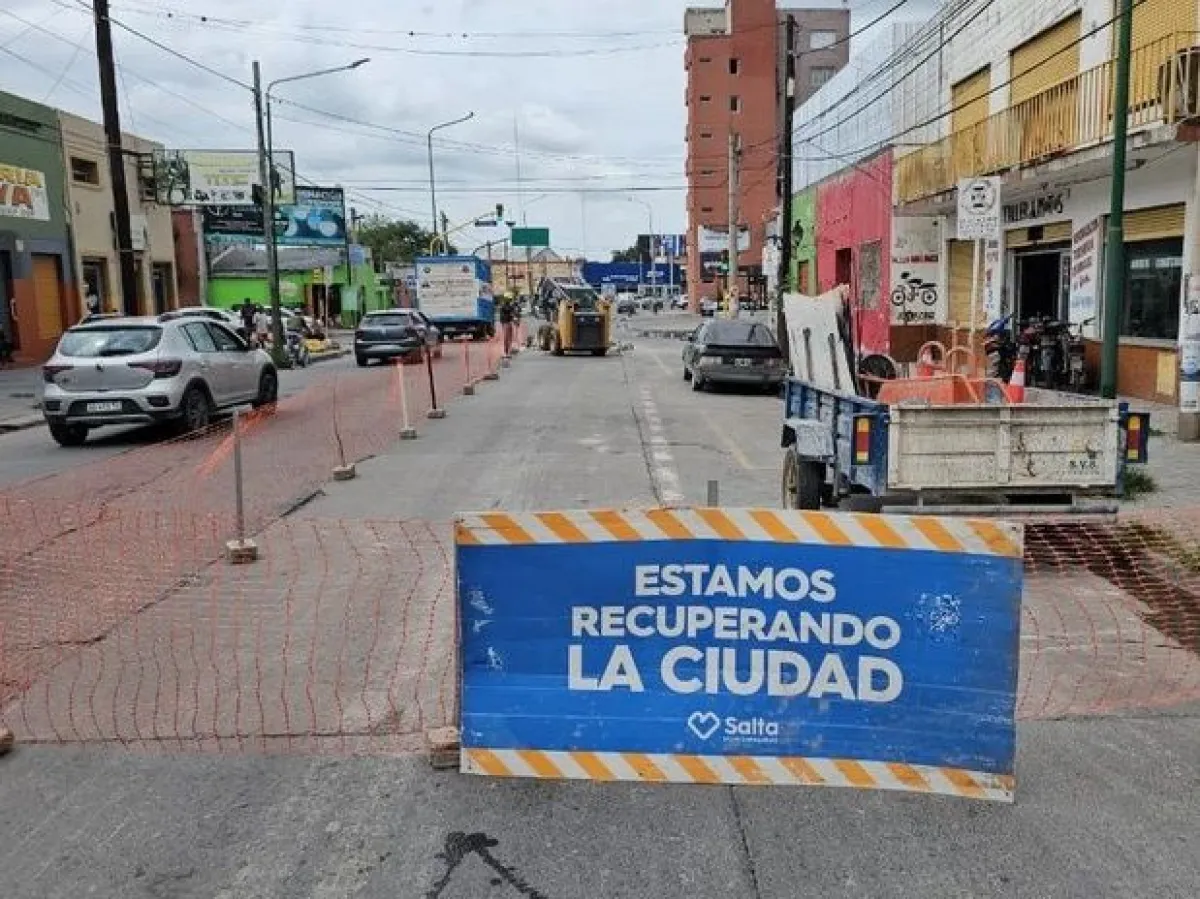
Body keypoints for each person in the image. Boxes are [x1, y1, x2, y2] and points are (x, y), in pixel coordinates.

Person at [498, 293, 517, 357]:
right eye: (509, 299)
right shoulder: (504, 307)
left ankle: (508, 351)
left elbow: (513, 313)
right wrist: (511, 316)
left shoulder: (511, 307)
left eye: (510, 299)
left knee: (509, 337)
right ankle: (506, 352)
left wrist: (513, 318)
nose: (509, 300)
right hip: (506, 323)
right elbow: (503, 316)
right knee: (506, 338)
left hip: (508, 322)